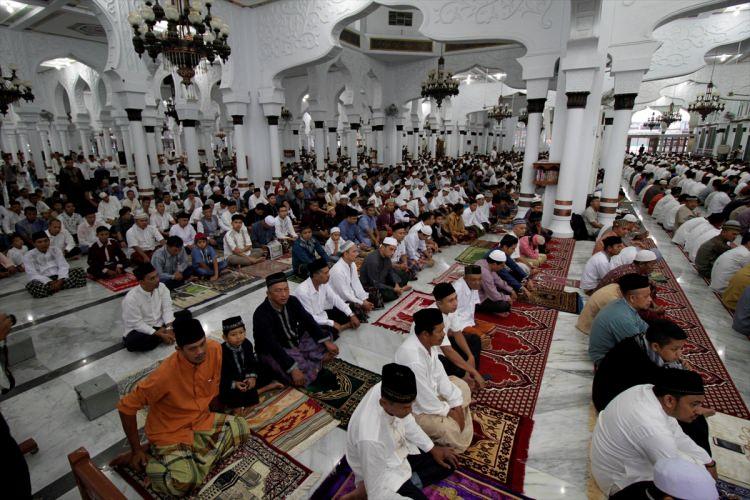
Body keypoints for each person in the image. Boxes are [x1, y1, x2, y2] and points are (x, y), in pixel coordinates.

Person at [116, 315, 250, 496]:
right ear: (179, 349)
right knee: (183, 483)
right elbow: (126, 407)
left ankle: (191, 462)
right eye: (192, 348)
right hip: (170, 432)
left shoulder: (214, 350)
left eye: (202, 344)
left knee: (242, 428)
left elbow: (214, 386)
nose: (200, 351)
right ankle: (149, 461)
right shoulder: (164, 375)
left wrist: (220, 412)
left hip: (201, 420)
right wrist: (136, 450)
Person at [590, 370, 715, 498]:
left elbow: (677, 434)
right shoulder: (651, 427)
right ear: (669, 400)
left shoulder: (648, 391)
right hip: (619, 481)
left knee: (696, 462)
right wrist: (704, 474)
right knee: (695, 482)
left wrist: (708, 461)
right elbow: (674, 473)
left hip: (621, 460)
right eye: (694, 404)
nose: (698, 410)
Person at [343, 363, 458, 500]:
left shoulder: (388, 389)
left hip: (399, 452)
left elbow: (408, 422)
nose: (410, 410)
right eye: (405, 407)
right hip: (383, 472)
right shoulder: (371, 437)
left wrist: (432, 448)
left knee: (448, 463)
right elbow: (376, 494)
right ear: (384, 403)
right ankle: (368, 491)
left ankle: (409, 485)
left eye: (411, 405)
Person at [394, 308, 474, 453]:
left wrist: (456, 405)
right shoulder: (413, 358)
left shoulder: (428, 345)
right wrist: (449, 411)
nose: (444, 334)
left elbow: (440, 376)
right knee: (449, 429)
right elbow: (424, 400)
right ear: (425, 334)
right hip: (416, 409)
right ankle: (460, 419)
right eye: (440, 331)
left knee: (462, 386)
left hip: (431, 394)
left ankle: (460, 415)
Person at [252, 272, 339, 386]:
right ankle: (311, 362)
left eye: (286, 289)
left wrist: (326, 342)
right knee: (299, 375)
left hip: (295, 339)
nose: (284, 294)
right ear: (268, 294)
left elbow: (308, 320)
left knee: (326, 335)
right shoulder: (261, 314)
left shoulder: (292, 301)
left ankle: (310, 359)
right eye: (278, 291)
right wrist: (292, 368)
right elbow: (272, 345)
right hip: (275, 349)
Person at [218, 316, 282, 411]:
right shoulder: (221, 351)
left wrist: (252, 377)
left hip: (247, 378)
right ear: (225, 338)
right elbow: (221, 374)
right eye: (233, 334)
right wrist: (235, 384)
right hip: (235, 381)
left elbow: (252, 363)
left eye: (241, 332)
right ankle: (267, 388)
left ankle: (249, 396)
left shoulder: (247, 344)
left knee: (268, 369)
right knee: (225, 395)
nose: (238, 337)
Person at [430, 282, 485, 391]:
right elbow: (447, 350)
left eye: (456, 298)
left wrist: (470, 356)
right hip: (434, 353)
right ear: (439, 303)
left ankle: (468, 376)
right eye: (450, 300)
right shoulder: (433, 317)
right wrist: (472, 370)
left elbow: (457, 334)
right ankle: (464, 378)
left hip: (445, 345)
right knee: (443, 363)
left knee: (474, 339)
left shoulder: (450, 309)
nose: (455, 303)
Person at [589, 273, 652, 364]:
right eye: (646, 296)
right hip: (604, 359)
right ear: (632, 298)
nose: (650, 299)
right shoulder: (623, 318)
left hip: (621, 347)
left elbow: (644, 327)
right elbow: (637, 349)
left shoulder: (624, 304)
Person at [293, 257, 360, 337]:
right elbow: (309, 317)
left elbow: (335, 299)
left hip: (322, 315)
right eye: (326, 273)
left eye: (328, 272)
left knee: (349, 310)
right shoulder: (303, 291)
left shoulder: (323, 283)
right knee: (325, 334)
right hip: (309, 321)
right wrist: (331, 322)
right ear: (315, 275)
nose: (328, 275)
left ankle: (339, 327)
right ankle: (343, 327)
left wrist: (351, 315)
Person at [121, 262, 175, 352]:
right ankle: (162, 336)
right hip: (142, 329)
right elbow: (137, 324)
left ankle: (162, 335)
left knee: (186, 315)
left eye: (157, 276)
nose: (157, 280)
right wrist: (158, 334)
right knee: (132, 342)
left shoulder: (162, 287)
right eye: (152, 278)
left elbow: (167, 309)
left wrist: (169, 328)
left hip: (160, 323)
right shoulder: (131, 299)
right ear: (141, 282)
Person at [23, 231, 87, 298]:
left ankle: (52, 289)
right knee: (32, 285)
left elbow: (63, 266)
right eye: (39, 242)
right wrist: (50, 282)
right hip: (43, 280)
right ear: (34, 244)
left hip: (59, 277)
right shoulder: (28, 256)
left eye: (46, 241)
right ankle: (59, 287)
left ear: (49, 241)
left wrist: (60, 281)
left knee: (79, 271)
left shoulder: (55, 250)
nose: (43, 244)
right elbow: (32, 274)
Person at [328, 241, 376, 320]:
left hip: (350, 294)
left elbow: (356, 283)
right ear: (345, 254)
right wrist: (361, 303)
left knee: (374, 292)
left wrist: (364, 299)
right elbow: (344, 294)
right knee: (356, 308)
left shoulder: (352, 264)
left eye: (357, 251)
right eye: (354, 251)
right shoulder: (337, 270)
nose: (357, 254)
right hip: (340, 300)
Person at [360, 237, 411, 302]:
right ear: (383, 247)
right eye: (391, 249)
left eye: (394, 250)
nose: (393, 253)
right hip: (371, 285)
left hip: (382, 279)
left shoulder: (387, 255)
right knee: (387, 294)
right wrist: (393, 289)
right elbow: (374, 283)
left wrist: (396, 284)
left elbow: (390, 271)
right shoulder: (373, 261)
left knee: (404, 275)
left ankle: (399, 289)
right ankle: (401, 289)